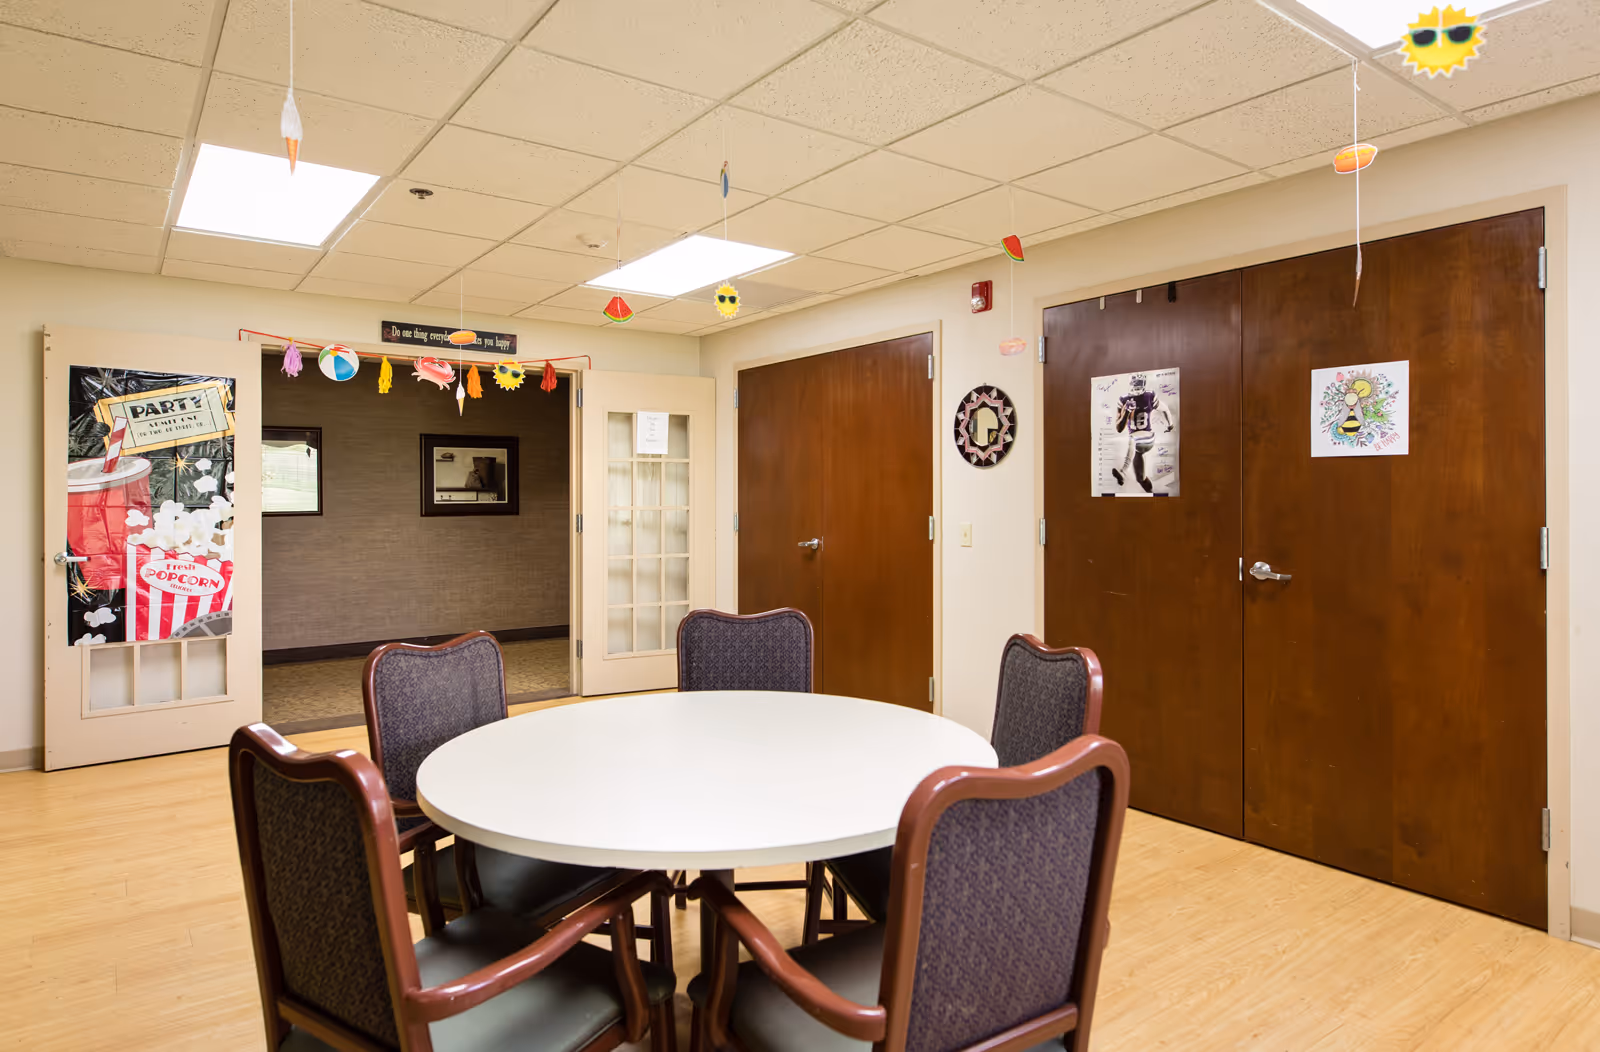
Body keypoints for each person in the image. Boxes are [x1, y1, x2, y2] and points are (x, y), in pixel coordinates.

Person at [1112, 374, 1173, 493]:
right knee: (1141, 478)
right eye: (1135, 383)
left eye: (1139, 383)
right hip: (1137, 446)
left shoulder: (1149, 396)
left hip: (1147, 437)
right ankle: (1151, 494)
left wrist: (1170, 425)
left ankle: (1123, 471)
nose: (1137, 386)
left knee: (1132, 438)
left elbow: (1165, 408)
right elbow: (1119, 428)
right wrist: (1127, 411)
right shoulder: (1124, 400)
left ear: (1144, 384)